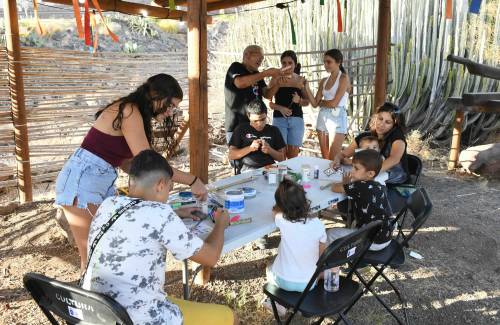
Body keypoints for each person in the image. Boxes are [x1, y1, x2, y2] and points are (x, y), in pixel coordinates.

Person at [54, 74, 208, 270]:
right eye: (170, 105)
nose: (171, 112)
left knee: (104, 250)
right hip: (83, 183)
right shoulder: (129, 110)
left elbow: (129, 164)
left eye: (174, 108)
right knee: (93, 258)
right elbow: (148, 163)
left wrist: (170, 210)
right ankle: (88, 298)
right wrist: (192, 180)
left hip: (97, 181)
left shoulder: (136, 114)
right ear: (156, 95)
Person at [81, 150, 237, 325]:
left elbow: (137, 220)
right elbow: (210, 257)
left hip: (96, 311)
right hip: (135, 318)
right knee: (230, 317)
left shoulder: (109, 204)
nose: (168, 195)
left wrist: (175, 212)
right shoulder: (160, 213)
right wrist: (220, 224)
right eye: (170, 189)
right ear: (161, 184)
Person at [262, 179, 327, 315]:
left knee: (269, 268)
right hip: (309, 284)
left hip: (283, 281)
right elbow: (322, 257)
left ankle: (279, 303)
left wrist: (278, 208)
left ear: (281, 206)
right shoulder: (318, 224)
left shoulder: (281, 219)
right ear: (305, 201)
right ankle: (297, 304)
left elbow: (274, 213)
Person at [331, 102, 409, 211]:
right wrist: (337, 159)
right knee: (345, 203)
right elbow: (344, 153)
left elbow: (394, 159)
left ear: (394, 125)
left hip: (393, 184)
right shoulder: (365, 137)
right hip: (370, 180)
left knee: (356, 201)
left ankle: (364, 225)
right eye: (380, 119)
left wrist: (367, 173)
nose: (381, 124)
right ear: (376, 117)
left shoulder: (397, 138)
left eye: (387, 122)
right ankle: (357, 224)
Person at [224, 45, 293, 144]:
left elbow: (267, 94)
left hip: (256, 124)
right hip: (237, 125)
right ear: (247, 55)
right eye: (259, 57)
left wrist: (278, 84)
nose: (261, 60)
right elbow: (240, 83)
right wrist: (265, 73)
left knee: (256, 157)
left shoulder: (256, 73)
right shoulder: (236, 67)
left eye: (262, 59)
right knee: (239, 157)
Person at [328, 149, 393, 251]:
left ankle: (326, 261)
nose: (351, 171)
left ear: (370, 173)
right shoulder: (379, 185)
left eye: (356, 169)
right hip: (386, 235)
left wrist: (343, 183)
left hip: (372, 241)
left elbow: (334, 188)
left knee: (330, 234)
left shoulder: (358, 186)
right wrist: (347, 184)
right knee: (352, 224)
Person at [303, 49, 351, 160]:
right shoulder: (323, 80)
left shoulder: (344, 78)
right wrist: (307, 88)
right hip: (323, 117)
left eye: (329, 62)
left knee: (333, 158)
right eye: (324, 62)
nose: (325, 64)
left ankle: (336, 178)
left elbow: (334, 103)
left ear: (338, 62)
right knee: (325, 160)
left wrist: (322, 103)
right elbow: (315, 103)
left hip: (337, 117)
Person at [269, 50, 309, 159]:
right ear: (281, 64)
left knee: (292, 158)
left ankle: (291, 176)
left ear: (295, 64)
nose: (287, 65)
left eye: (290, 63)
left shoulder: (301, 80)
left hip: (296, 120)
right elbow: (268, 102)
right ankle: (281, 176)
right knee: (281, 157)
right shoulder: (275, 78)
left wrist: (299, 100)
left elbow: (307, 102)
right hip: (279, 119)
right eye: (284, 63)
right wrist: (280, 108)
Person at [228, 99, 286, 171]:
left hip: (270, 169)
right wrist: (250, 148)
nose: (259, 124)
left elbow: (282, 158)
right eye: (255, 121)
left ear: (266, 114)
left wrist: (270, 150)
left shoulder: (274, 130)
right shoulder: (241, 129)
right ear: (248, 116)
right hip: (248, 170)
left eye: (263, 119)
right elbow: (231, 155)